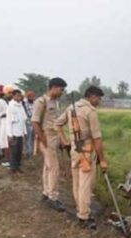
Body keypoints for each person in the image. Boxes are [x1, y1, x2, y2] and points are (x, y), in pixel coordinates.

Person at [53, 86, 107, 229]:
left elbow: (57, 124)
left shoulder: (72, 107)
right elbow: (97, 139)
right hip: (87, 151)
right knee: (85, 186)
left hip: (74, 150)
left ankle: (80, 208)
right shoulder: (90, 111)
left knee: (77, 182)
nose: (99, 101)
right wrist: (102, 160)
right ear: (92, 96)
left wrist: (65, 141)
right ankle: (84, 215)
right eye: (98, 98)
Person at [31, 77, 67, 211]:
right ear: (54, 87)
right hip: (47, 137)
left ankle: (46, 193)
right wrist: (43, 140)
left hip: (54, 136)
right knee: (54, 168)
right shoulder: (41, 102)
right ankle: (53, 197)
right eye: (61, 89)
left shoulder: (56, 102)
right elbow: (35, 122)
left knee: (48, 167)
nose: (62, 92)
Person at [6, 89, 27, 173]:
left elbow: (23, 120)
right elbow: (8, 122)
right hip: (13, 133)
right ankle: (13, 168)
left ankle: (18, 166)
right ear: (13, 96)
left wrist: (24, 132)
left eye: (20, 95)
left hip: (20, 132)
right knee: (13, 152)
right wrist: (10, 135)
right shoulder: (10, 106)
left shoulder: (21, 105)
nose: (19, 97)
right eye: (17, 95)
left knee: (19, 151)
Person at [0, 85, 13, 166]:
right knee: (5, 141)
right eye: (9, 93)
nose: (10, 94)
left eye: (11, 93)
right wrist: (6, 114)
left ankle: (10, 158)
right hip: (4, 123)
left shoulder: (9, 102)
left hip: (9, 123)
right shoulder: (0, 102)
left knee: (9, 141)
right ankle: (7, 159)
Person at [23, 90, 36, 157]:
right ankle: (28, 152)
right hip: (28, 123)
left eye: (33, 96)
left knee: (33, 138)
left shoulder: (35, 103)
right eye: (30, 96)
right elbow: (29, 113)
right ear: (27, 97)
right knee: (28, 138)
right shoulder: (25, 103)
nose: (32, 97)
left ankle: (32, 151)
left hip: (34, 123)